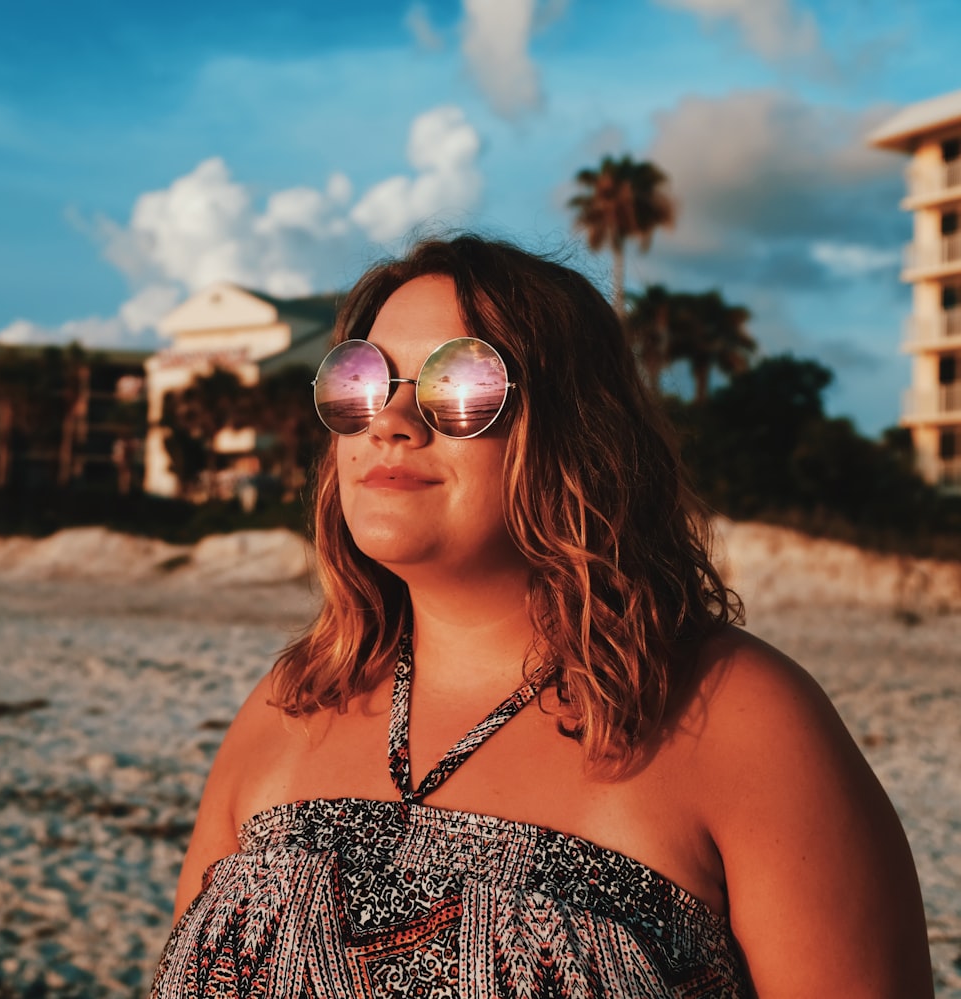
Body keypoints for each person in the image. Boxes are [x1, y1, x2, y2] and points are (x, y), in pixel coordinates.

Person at [151, 235, 934, 998]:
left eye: (458, 384)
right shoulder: (294, 701)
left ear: (576, 429)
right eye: (361, 382)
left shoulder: (737, 718)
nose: (389, 420)